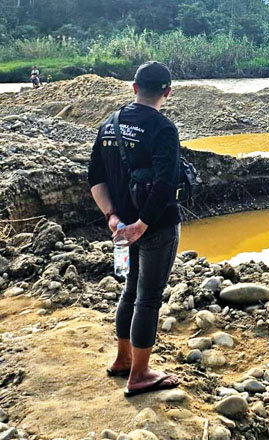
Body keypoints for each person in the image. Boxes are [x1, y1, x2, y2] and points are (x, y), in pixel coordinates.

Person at [88, 61, 182, 397]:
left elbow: (95, 177)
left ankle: (123, 359)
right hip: (155, 227)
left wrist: (112, 217)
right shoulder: (163, 128)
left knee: (131, 290)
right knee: (149, 297)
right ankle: (139, 374)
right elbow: (165, 184)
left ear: (134, 88)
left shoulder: (109, 124)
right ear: (167, 92)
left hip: (122, 228)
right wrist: (143, 224)